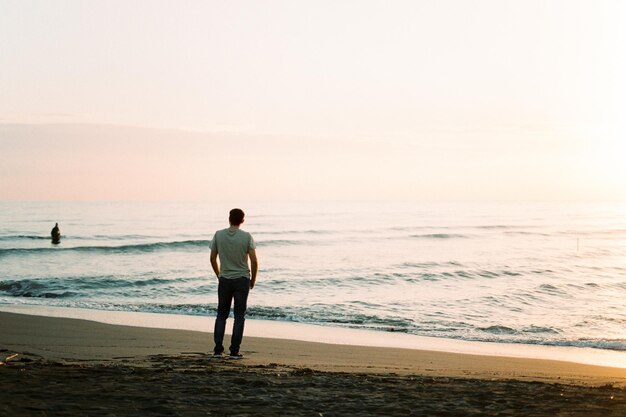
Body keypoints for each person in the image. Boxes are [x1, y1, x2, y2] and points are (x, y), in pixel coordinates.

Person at [210, 208, 258, 359]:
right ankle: (234, 351)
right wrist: (253, 280)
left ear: (229, 218)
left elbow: (212, 258)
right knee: (239, 316)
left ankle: (218, 350)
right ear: (242, 220)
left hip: (225, 279)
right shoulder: (246, 237)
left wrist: (219, 275)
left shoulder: (218, 235)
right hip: (242, 279)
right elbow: (254, 260)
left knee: (221, 315)